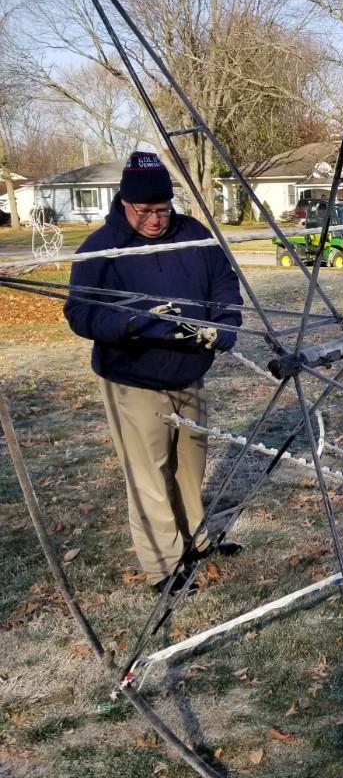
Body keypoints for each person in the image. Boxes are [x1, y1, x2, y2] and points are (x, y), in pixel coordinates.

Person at [64, 152, 243, 593]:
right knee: (149, 475)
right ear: (124, 202)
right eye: (144, 211)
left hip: (189, 374)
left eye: (162, 209)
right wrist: (132, 324)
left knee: (189, 467)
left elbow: (224, 282)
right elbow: (80, 314)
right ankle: (163, 567)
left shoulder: (193, 235)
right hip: (133, 380)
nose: (155, 220)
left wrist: (224, 322)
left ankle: (196, 543)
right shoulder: (99, 249)